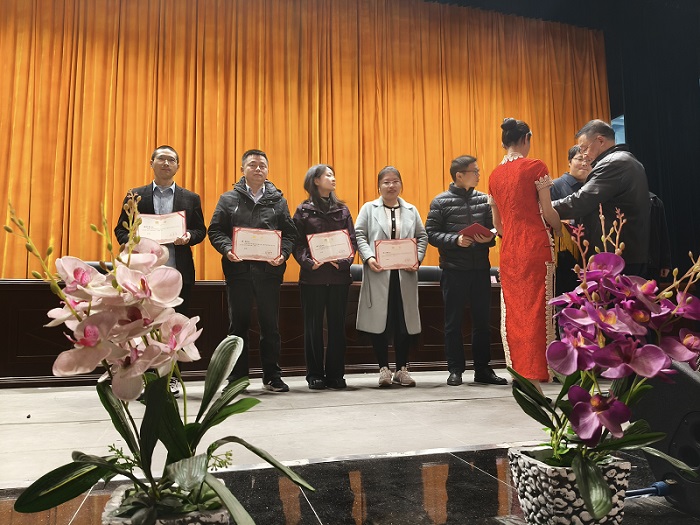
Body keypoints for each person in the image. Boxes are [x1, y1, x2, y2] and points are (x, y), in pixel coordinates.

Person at [114, 145, 207, 398]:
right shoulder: (135, 195)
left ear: (178, 166)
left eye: (171, 160)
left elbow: (201, 230)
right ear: (151, 163)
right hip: (144, 280)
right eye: (162, 159)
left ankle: (172, 379)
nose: (166, 163)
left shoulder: (191, 198)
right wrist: (133, 240)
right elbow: (120, 230)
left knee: (176, 330)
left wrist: (189, 236)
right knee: (145, 329)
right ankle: (147, 379)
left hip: (178, 274)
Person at [207, 149, 297, 392]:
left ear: (268, 170)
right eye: (253, 164)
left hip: (269, 273)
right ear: (242, 169)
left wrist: (283, 254)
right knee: (237, 327)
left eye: (262, 165)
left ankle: (272, 376)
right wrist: (227, 249)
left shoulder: (278, 201)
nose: (258, 169)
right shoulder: (228, 199)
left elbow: (290, 234)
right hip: (239, 272)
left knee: (270, 327)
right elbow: (215, 230)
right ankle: (237, 378)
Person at [488, 118, 561, 391]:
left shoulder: (494, 175)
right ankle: (535, 375)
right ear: (526, 138)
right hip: (535, 245)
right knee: (537, 311)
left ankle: (522, 376)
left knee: (517, 313)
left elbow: (498, 225)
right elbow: (549, 212)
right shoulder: (535, 166)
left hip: (510, 250)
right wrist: (560, 228)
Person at [425, 155, 507, 387]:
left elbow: (494, 230)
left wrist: (488, 238)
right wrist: (455, 240)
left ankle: (483, 369)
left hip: (480, 269)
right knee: (453, 322)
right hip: (453, 271)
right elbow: (431, 233)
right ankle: (455, 370)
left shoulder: (484, 200)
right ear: (459, 175)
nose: (479, 174)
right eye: (475, 171)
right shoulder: (440, 202)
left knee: (482, 322)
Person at [355, 166, 428, 387]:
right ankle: (383, 369)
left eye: (395, 181)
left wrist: (417, 259)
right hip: (379, 274)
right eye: (386, 182)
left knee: (403, 323)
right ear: (379, 186)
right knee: (381, 322)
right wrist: (369, 258)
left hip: (404, 275)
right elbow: (359, 235)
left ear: (401, 185)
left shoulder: (411, 210)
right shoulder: (369, 209)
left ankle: (402, 369)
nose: (391, 185)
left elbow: (422, 236)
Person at [553, 119, 650, 276]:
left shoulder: (613, 163)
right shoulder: (628, 160)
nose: (584, 154)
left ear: (600, 141)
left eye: (585, 148)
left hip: (615, 256)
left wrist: (544, 207)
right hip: (628, 252)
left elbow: (581, 201)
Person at [292, 164, 357, 390]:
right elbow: (297, 243)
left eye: (333, 174)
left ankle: (336, 374)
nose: (333, 178)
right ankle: (315, 374)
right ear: (315, 180)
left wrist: (344, 262)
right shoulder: (303, 210)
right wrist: (309, 262)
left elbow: (352, 241)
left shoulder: (342, 210)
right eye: (328, 175)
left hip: (339, 277)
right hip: (313, 277)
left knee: (338, 327)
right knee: (313, 328)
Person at [551, 145, 591, 296]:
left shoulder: (594, 187)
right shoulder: (555, 186)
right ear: (569, 162)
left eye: (588, 160)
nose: (584, 164)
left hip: (589, 251)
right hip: (565, 255)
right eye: (580, 159)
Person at [647, 192, 672, 282]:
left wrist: (665, 263)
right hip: (630, 262)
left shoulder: (656, 203)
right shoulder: (623, 201)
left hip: (651, 262)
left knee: (652, 289)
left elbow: (663, 233)